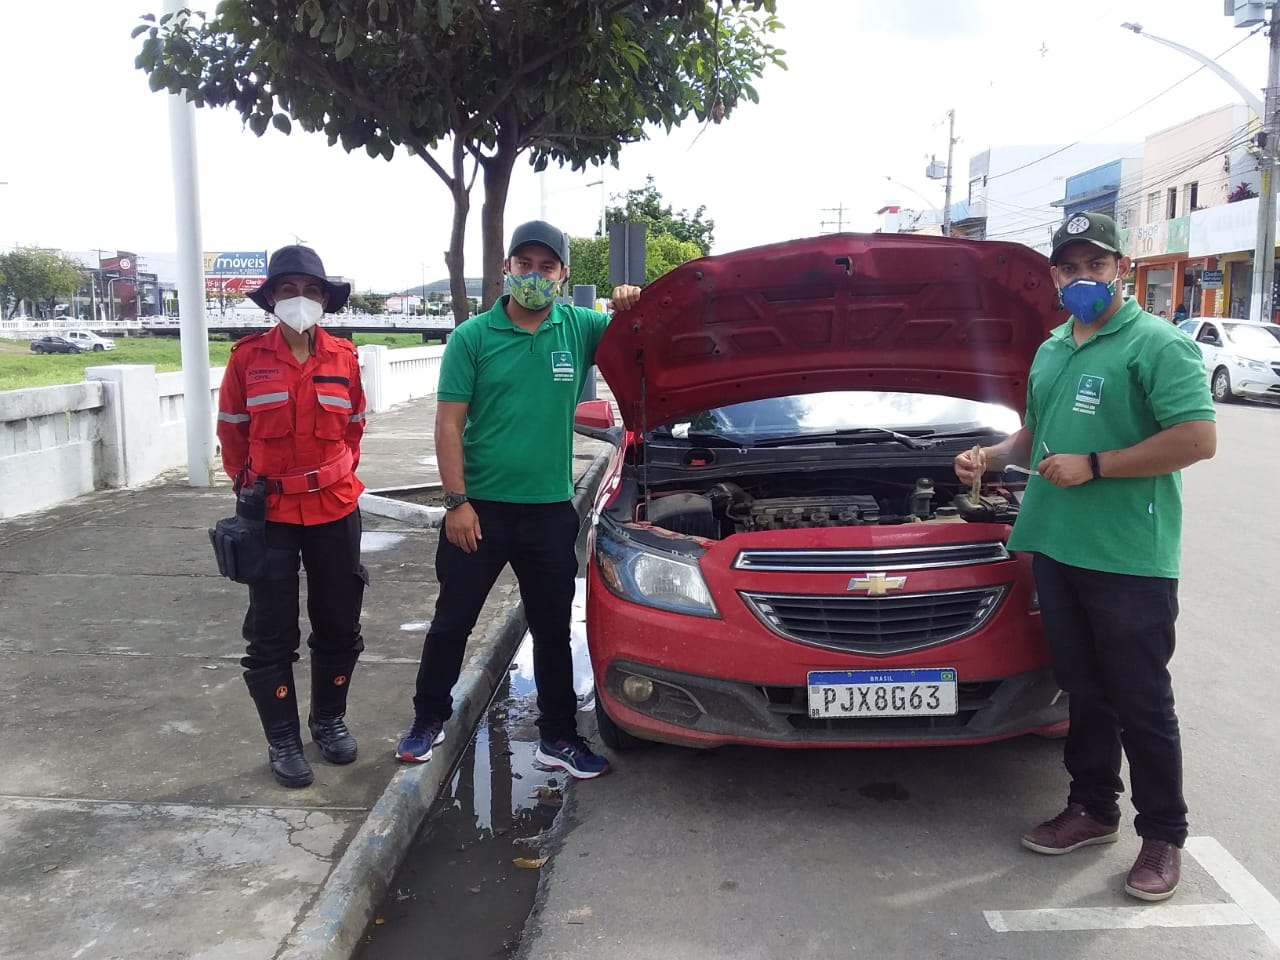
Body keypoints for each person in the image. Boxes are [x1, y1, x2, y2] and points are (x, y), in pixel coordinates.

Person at [954, 212, 1215, 902]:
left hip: (1128, 555)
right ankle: (1093, 808)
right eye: (1069, 268)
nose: (1082, 279)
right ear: (1054, 276)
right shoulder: (1051, 348)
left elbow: (1197, 439)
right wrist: (989, 455)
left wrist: (1095, 464)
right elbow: (1036, 435)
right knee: (1083, 687)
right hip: (1056, 545)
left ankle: (1163, 835)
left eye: (1095, 265)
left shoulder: (1156, 344)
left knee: (1141, 698)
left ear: (1121, 270)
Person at [396, 220, 641, 779]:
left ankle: (558, 736)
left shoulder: (579, 327)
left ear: (563, 274)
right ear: (507, 267)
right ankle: (427, 719)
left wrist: (631, 301)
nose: (534, 275)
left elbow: (640, 337)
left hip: (549, 510)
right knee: (452, 621)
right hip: (478, 510)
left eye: (546, 266)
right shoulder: (472, 337)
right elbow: (448, 424)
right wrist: (456, 502)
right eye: (524, 264)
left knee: (553, 629)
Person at [216, 245, 368, 789]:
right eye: (288, 290)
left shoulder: (344, 358)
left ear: (323, 299)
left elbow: (354, 425)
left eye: (310, 290)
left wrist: (334, 475)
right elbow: (232, 431)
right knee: (271, 631)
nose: (299, 299)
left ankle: (328, 721)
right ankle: (282, 739)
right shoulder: (247, 359)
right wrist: (250, 489)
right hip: (271, 515)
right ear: (271, 299)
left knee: (339, 623)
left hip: (334, 508)